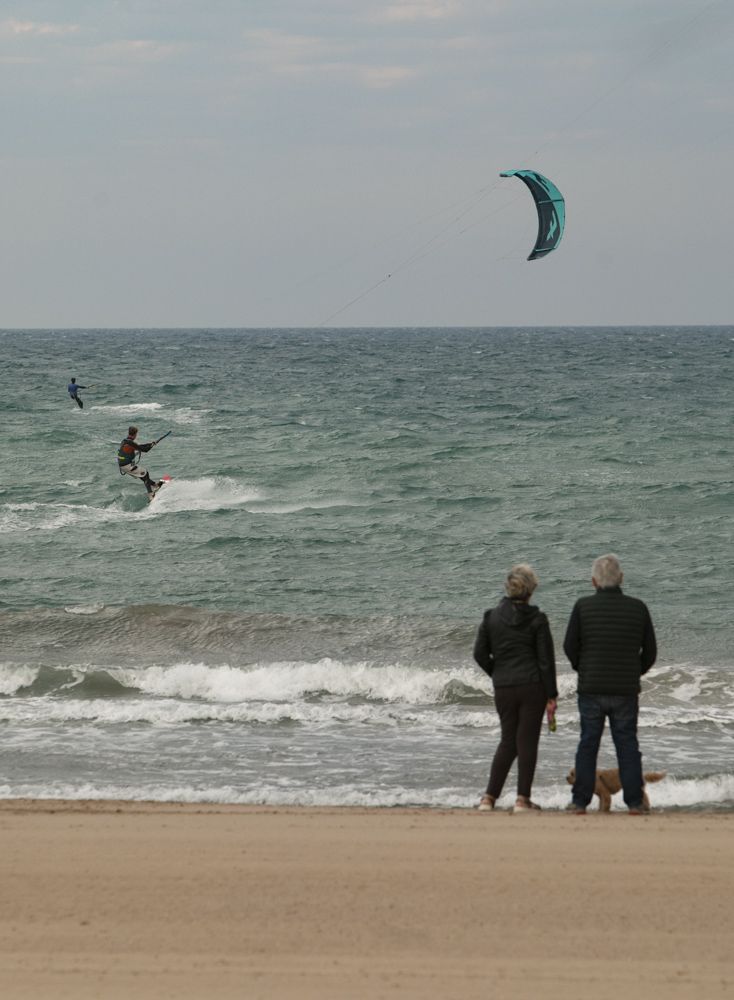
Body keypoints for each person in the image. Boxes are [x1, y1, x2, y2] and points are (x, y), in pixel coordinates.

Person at [563, 553, 657, 815]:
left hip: (591, 688)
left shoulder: (582, 607)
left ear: (593, 581)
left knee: (587, 744)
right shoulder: (638, 607)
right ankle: (635, 802)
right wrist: (634, 673)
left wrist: (583, 669)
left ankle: (579, 802)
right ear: (622, 579)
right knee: (627, 744)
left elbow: (570, 646)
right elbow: (650, 652)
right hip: (625, 690)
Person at [472, 564, 558, 813]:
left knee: (508, 741)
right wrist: (551, 694)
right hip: (532, 686)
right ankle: (522, 799)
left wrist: (497, 672)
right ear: (531, 591)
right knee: (527, 742)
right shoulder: (538, 619)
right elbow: (546, 661)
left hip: (504, 687)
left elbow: (479, 653)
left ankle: (488, 798)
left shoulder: (491, 617)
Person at [117, 426, 163, 497]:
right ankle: (150, 494)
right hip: (128, 466)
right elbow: (145, 450)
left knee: (142, 476)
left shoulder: (125, 441)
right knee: (145, 473)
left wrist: (151, 443)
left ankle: (155, 485)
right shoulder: (131, 443)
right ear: (135, 434)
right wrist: (152, 445)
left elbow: (139, 446)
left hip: (122, 466)